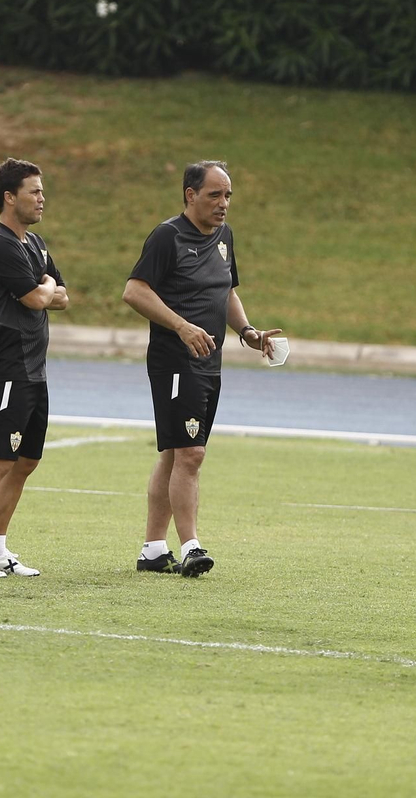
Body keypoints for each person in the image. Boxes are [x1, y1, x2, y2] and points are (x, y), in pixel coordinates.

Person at [122, 160, 282, 577]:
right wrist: (180, 325)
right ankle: (191, 545)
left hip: (210, 363)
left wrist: (247, 331)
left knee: (176, 453)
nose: (223, 203)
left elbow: (225, 289)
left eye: (228, 195)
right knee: (191, 453)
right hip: (176, 362)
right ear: (190, 195)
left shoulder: (224, 236)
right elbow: (134, 291)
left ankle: (154, 550)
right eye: (215, 194)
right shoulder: (167, 236)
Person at [0, 157, 69, 578]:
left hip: (33, 369)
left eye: (42, 190)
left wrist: (44, 287)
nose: (42, 198)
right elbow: (40, 299)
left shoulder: (35, 244)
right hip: (3, 368)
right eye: (34, 191)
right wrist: (44, 288)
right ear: (9, 197)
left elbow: (63, 296)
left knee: (25, 461)